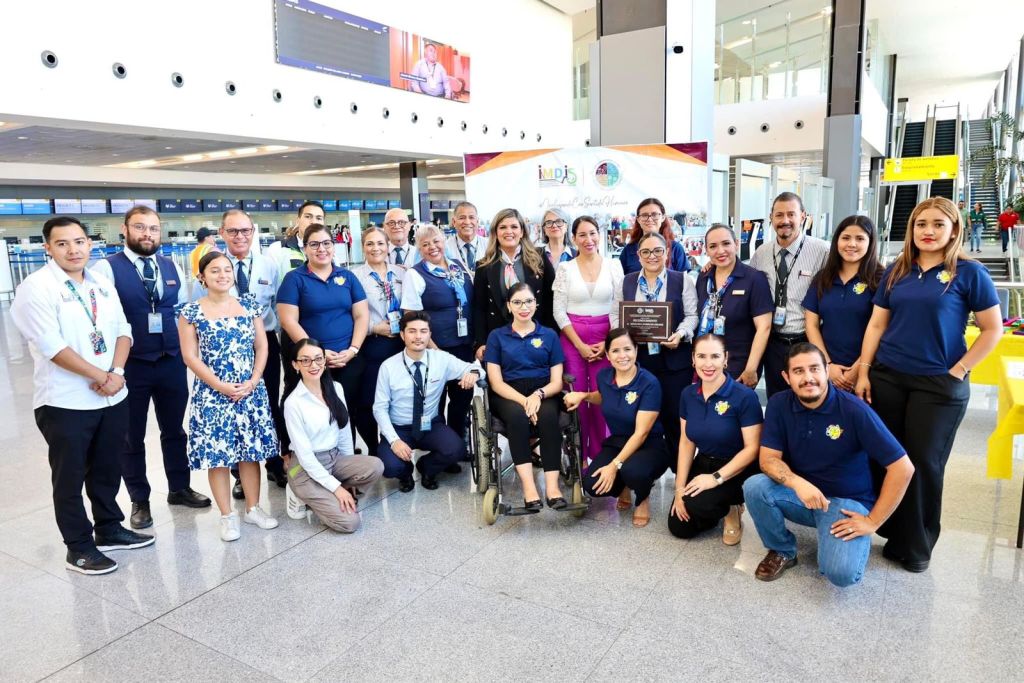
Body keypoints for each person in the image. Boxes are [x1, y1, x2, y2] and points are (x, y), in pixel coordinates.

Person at [856, 197, 1002, 572]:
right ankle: (893, 532)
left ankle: (917, 546)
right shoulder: (897, 270)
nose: (928, 231)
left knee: (924, 463)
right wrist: (864, 371)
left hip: (938, 385)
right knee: (889, 456)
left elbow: (992, 330)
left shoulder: (969, 273)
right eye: (921, 224)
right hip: (889, 377)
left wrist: (960, 370)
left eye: (938, 224)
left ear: (954, 230)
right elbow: (877, 324)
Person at [12, 217, 154, 575]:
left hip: (111, 396)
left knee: (107, 467)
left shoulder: (101, 283)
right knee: (70, 477)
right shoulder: (36, 287)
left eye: (79, 242)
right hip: (65, 402)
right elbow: (52, 346)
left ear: (90, 244)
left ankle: (108, 528)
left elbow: (123, 329)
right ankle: (78, 547)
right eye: (62, 243)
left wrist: (116, 373)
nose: (73, 250)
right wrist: (101, 376)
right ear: (48, 247)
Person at [744, 343, 915, 586]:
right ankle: (782, 550)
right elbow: (768, 459)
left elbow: (903, 467)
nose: (808, 377)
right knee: (755, 487)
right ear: (786, 377)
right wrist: (797, 483)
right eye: (799, 371)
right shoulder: (779, 404)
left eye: (814, 368)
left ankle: (844, 543)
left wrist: (872, 522)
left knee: (840, 575)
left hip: (845, 504)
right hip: (803, 497)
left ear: (826, 370)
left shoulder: (854, 410)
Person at [92, 206, 209, 531]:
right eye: (140, 227)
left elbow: (181, 312)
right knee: (131, 435)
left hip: (170, 360)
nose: (147, 234)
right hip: (131, 365)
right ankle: (139, 499)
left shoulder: (170, 265)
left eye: (153, 228)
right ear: (125, 229)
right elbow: (101, 318)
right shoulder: (107, 268)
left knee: (175, 430)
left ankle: (179, 487)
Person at [178, 252, 280, 541]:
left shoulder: (249, 306)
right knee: (218, 456)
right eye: (214, 270)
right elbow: (190, 356)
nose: (222, 275)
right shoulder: (191, 312)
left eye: (226, 269)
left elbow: (262, 346)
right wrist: (220, 385)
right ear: (202, 277)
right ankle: (227, 516)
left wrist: (254, 379)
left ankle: (253, 508)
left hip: (249, 390)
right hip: (213, 393)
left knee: (250, 452)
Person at [213, 210, 287, 497]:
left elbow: (277, 305)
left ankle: (274, 462)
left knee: (268, 404)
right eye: (233, 231)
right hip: (228, 346)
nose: (239, 236)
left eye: (245, 230)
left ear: (253, 232)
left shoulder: (269, 265)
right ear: (222, 233)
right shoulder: (214, 265)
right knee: (235, 407)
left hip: (264, 342)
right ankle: (239, 474)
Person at [564, 328, 670, 528]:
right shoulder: (604, 376)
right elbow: (604, 396)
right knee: (592, 484)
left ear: (636, 350)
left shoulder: (649, 383)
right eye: (615, 351)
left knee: (633, 471)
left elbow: (641, 433)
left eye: (627, 349)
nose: (622, 356)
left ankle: (643, 497)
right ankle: (624, 486)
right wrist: (583, 396)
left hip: (649, 444)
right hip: (618, 441)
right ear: (608, 355)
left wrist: (614, 466)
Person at [278, 223, 369, 451]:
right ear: (305, 248)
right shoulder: (294, 279)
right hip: (311, 361)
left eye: (326, 243)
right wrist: (317, 355)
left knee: (348, 409)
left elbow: (361, 315)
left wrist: (353, 350)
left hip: (347, 358)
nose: (321, 249)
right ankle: (304, 455)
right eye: (314, 244)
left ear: (334, 246)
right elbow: (288, 321)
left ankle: (346, 455)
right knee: (313, 411)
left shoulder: (347, 276)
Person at [611, 232, 698, 460]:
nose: (652, 256)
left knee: (674, 419)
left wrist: (680, 333)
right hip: (639, 363)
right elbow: (615, 315)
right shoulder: (626, 282)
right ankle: (643, 470)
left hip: (675, 362)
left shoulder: (682, 280)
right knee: (639, 418)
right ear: (638, 255)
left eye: (658, 250)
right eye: (646, 252)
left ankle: (680, 474)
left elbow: (692, 316)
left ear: (666, 253)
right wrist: (624, 339)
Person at [282, 338, 384, 530]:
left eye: (318, 359)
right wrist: (337, 489)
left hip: (334, 458)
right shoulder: (293, 403)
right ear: (295, 365)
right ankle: (299, 493)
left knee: (375, 466)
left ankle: (326, 493)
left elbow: (344, 432)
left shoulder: (336, 388)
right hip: (304, 469)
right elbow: (306, 457)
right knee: (350, 523)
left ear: (324, 360)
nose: (313, 365)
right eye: (305, 360)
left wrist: (347, 477)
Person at [669, 334, 762, 544]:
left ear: (725, 359)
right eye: (701, 356)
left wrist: (715, 478)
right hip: (704, 461)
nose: (708, 364)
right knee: (679, 526)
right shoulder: (688, 394)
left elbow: (752, 448)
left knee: (701, 504)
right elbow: (686, 442)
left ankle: (732, 507)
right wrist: (679, 489)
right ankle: (714, 506)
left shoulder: (744, 396)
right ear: (693, 359)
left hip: (738, 468)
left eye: (715, 356)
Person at [373, 312, 481, 491]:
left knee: (457, 450)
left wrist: (474, 373)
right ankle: (405, 472)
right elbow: (379, 408)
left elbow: (475, 368)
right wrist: (394, 441)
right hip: (399, 427)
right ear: (402, 335)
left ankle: (427, 468)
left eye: (423, 331)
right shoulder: (388, 367)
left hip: (430, 424)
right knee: (390, 466)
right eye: (412, 331)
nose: (418, 336)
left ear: (430, 334)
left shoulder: (441, 359)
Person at [484, 283, 566, 509]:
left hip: (544, 391)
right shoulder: (497, 336)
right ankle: (529, 489)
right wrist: (524, 401)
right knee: (517, 417)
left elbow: (557, 381)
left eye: (528, 301)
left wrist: (538, 395)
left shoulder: (549, 335)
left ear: (536, 303)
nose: (524, 307)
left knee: (548, 417)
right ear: (509, 306)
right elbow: (496, 382)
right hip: (508, 393)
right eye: (517, 302)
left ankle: (552, 488)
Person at [552, 215, 622, 464]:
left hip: (606, 338)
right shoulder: (565, 268)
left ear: (599, 235)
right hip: (573, 338)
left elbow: (619, 307)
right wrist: (579, 345)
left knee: (604, 395)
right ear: (573, 239)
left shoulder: (614, 265)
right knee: (577, 396)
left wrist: (608, 343)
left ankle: (603, 456)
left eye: (592, 233)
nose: (588, 239)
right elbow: (558, 311)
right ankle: (578, 456)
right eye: (582, 235)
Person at [748, 192, 830, 397]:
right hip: (773, 344)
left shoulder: (822, 251)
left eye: (791, 214)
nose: (785, 220)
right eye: (779, 215)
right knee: (777, 399)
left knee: (809, 398)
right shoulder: (761, 253)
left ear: (803, 216)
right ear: (771, 218)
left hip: (807, 340)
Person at [402, 224, 476, 442]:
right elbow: (412, 316)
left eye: (436, 241)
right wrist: (433, 350)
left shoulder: (457, 266)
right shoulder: (415, 274)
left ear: (444, 241)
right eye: (425, 244)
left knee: (462, 397)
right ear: (419, 249)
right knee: (436, 400)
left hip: (463, 346)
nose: (432, 247)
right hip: (435, 349)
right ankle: (442, 446)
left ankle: (458, 441)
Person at [802, 215, 882, 392]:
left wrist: (858, 369)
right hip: (827, 370)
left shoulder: (880, 279)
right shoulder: (823, 278)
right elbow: (811, 324)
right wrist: (827, 364)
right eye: (846, 238)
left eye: (860, 238)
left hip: (868, 370)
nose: (851, 244)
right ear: (836, 241)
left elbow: (882, 328)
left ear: (870, 243)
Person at [695, 224, 773, 386]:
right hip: (706, 364)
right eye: (713, 246)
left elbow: (764, 328)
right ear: (706, 250)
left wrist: (751, 368)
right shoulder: (703, 278)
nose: (720, 251)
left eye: (726, 243)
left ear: (736, 244)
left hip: (738, 365)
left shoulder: (754, 278)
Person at [473, 207, 556, 360]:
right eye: (503, 227)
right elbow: (480, 308)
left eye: (514, 227)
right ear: (495, 232)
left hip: (537, 337)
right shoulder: (483, 266)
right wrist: (480, 342)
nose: (508, 231)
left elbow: (552, 299)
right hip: (499, 340)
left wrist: (552, 336)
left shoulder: (539, 258)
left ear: (522, 231)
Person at [351, 227, 406, 456]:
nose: (376, 248)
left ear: (388, 246)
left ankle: (392, 444)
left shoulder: (402, 273)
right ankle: (374, 449)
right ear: (363, 247)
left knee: (397, 398)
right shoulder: (354, 276)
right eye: (370, 244)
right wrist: (374, 327)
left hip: (400, 345)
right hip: (372, 344)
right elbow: (351, 315)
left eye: (380, 243)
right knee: (369, 400)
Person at [617, 197, 688, 275]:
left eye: (655, 215)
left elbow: (683, 280)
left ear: (663, 217)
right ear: (638, 219)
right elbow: (621, 279)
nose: (650, 219)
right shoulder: (628, 250)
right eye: (644, 215)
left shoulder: (676, 249)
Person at [445, 201, 488, 274]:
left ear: (477, 221)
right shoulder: (446, 248)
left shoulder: (489, 246)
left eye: (471, 217)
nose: (467, 222)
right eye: (462, 218)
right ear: (454, 222)